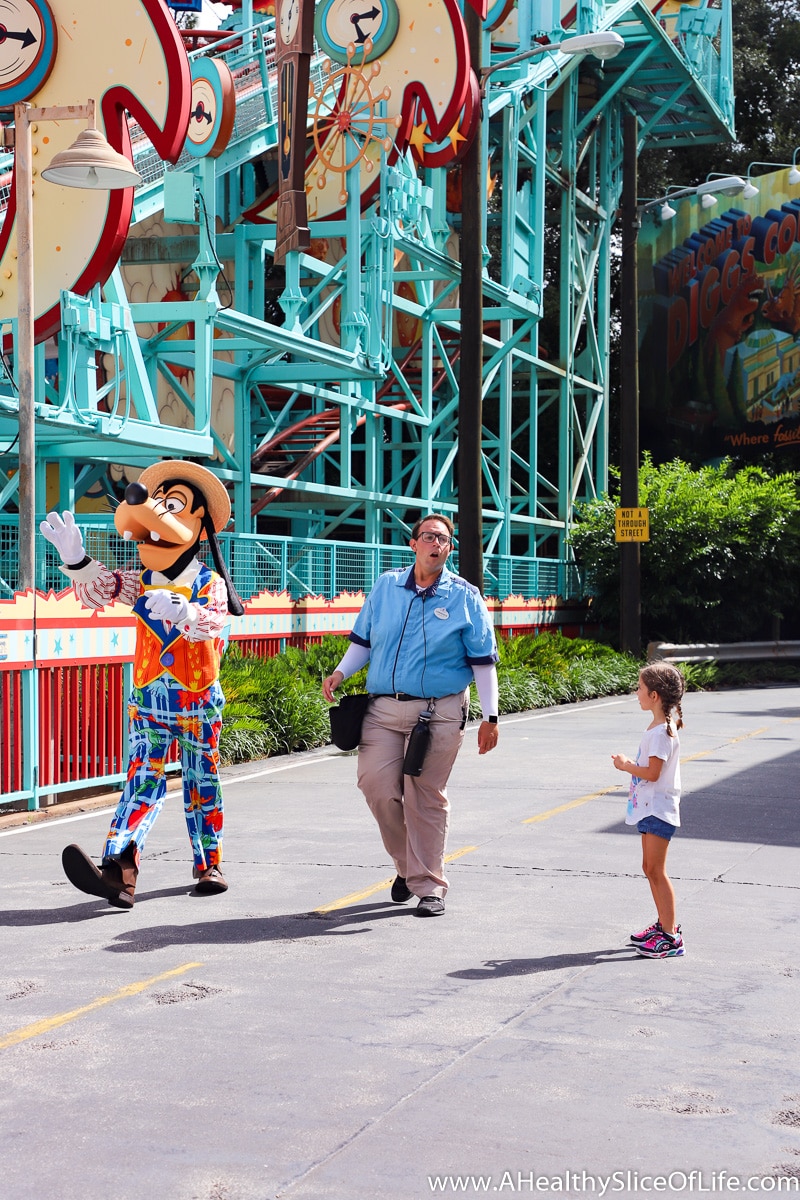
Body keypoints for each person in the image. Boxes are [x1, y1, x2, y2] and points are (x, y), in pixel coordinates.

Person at [40, 461, 243, 909]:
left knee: (201, 780)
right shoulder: (141, 580)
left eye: (174, 506)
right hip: (150, 699)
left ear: (198, 523)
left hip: (198, 699)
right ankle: (119, 870)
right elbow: (98, 591)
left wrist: (186, 612)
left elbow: (214, 624)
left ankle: (209, 861)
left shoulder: (209, 583)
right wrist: (75, 559)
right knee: (140, 780)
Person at [322, 514, 500, 917]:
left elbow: (484, 663)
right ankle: (408, 866)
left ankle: (430, 886)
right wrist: (341, 671)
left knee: (424, 797)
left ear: (449, 549)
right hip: (383, 708)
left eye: (444, 539)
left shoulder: (465, 596)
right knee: (376, 786)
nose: (436, 544)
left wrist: (492, 717)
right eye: (429, 537)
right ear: (413, 543)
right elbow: (364, 640)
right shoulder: (386, 587)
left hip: (439, 711)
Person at [612, 663, 687, 958]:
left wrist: (625, 765)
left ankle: (670, 937)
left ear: (654, 695)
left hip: (659, 810)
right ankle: (663, 925)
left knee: (657, 870)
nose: (637, 693)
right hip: (650, 809)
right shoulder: (657, 727)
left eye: (640, 689)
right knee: (649, 868)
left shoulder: (662, 733)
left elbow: (653, 773)